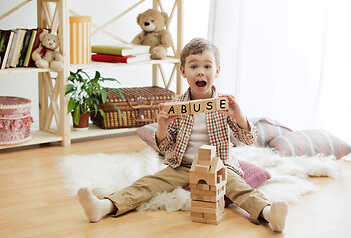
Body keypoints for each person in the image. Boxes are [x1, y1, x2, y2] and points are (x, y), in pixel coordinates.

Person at [77, 37, 288, 232]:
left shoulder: (225, 104)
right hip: (184, 165)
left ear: (217, 70)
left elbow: (248, 139)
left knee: (239, 188)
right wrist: (161, 127)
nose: (200, 72)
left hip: (219, 164)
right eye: (194, 66)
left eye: (207, 66)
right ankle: (105, 206)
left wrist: (240, 116)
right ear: (183, 71)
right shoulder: (176, 105)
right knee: (148, 183)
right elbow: (164, 149)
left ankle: (268, 214)